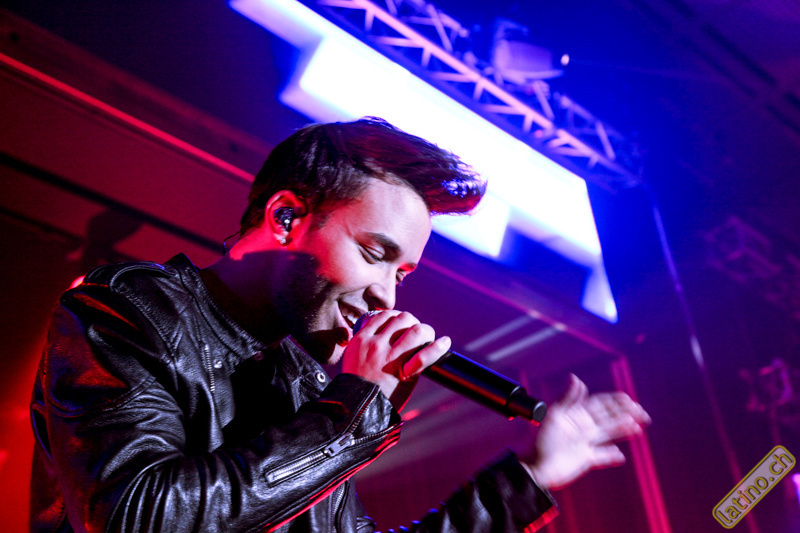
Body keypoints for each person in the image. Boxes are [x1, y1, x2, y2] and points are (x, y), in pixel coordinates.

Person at [30, 117, 651, 532]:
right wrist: (354, 411)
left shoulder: (304, 385)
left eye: (402, 273)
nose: (386, 295)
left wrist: (529, 477)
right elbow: (134, 518)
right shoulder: (131, 309)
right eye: (375, 253)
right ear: (286, 218)